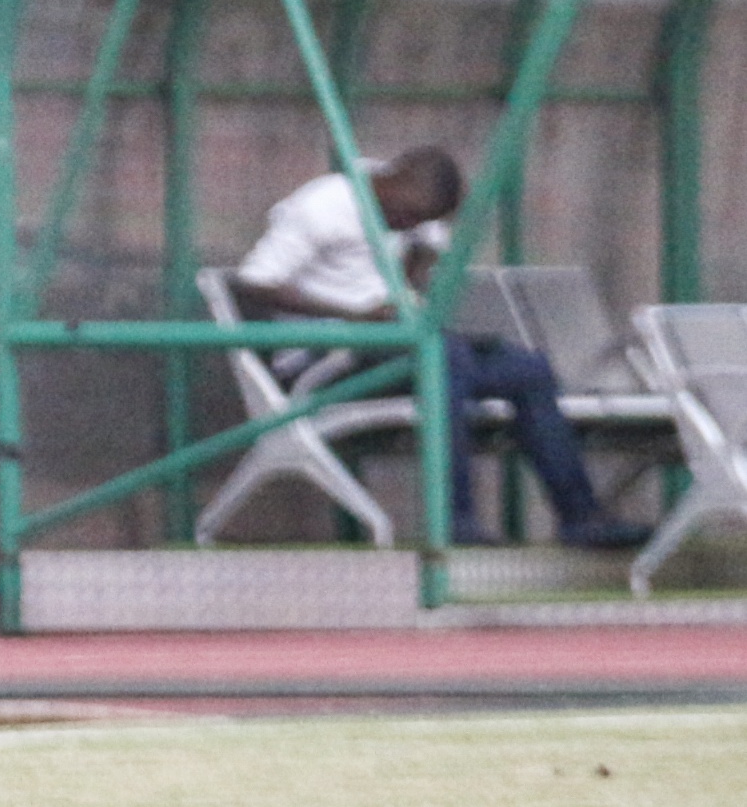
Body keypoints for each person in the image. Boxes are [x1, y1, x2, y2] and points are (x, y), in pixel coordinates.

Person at [231, 147, 650, 549]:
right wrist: (352, 316)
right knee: (446, 362)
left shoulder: (409, 206)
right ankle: (455, 520)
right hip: (328, 359)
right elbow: (252, 282)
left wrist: (417, 266)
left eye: (417, 220)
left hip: (401, 345)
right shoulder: (321, 206)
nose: (404, 225)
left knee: (529, 370)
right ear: (389, 183)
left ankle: (581, 518)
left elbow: (425, 250)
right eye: (405, 216)